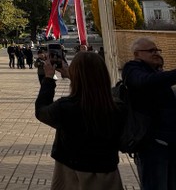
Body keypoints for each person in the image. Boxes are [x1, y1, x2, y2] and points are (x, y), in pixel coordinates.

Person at [35, 50, 124, 190]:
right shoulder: (117, 107)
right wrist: (73, 76)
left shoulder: (65, 107)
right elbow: (93, 90)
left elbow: (41, 111)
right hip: (107, 174)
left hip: (71, 173)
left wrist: (48, 79)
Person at [122, 37, 176, 190]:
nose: (156, 53)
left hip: (169, 143)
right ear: (137, 54)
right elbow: (145, 81)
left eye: (157, 50)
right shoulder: (132, 69)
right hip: (152, 146)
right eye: (151, 51)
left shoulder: (156, 73)